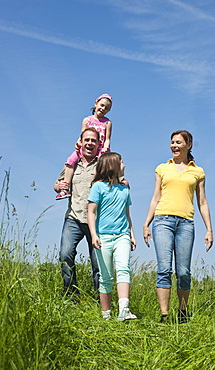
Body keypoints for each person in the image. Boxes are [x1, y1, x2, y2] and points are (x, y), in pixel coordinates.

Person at [143, 130, 213, 323]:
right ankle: (164, 315)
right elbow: (155, 197)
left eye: (178, 142)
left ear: (188, 145)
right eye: (172, 142)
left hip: (186, 223)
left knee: (183, 271)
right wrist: (146, 223)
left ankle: (182, 313)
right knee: (164, 268)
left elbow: (203, 202)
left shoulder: (197, 171)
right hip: (162, 221)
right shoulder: (162, 169)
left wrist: (209, 229)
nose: (174, 145)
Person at [87, 152, 137, 321]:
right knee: (106, 277)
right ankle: (106, 315)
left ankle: (124, 310)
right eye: (122, 162)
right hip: (103, 237)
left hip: (122, 235)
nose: (124, 165)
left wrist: (132, 235)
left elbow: (127, 215)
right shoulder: (98, 187)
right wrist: (93, 235)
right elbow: (90, 212)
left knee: (123, 269)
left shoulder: (125, 189)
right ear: (113, 166)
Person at [54, 127, 101, 299]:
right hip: (73, 217)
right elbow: (57, 183)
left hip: (96, 221)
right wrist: (58, 187)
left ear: (98, 144)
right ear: (80, 143)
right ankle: (70, 295)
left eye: (93, 140)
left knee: (98, 263)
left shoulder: (102, 165)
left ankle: (99, 300)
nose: (89, 143)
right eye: (86, 140)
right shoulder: (72, 165)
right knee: (65, 255)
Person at [56, 93, 113, 200]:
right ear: (96, 103)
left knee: (103, 165)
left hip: (100, 149)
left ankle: (99, 187)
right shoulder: (87, 120)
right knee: (70, 160)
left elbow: (107, 138)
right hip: (86, 148)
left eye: (106, 108)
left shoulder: (107, 123)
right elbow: (82, 134)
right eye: (101, 105)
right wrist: (78, 142)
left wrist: (106, 147)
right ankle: (66, 187)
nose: (103, 108)